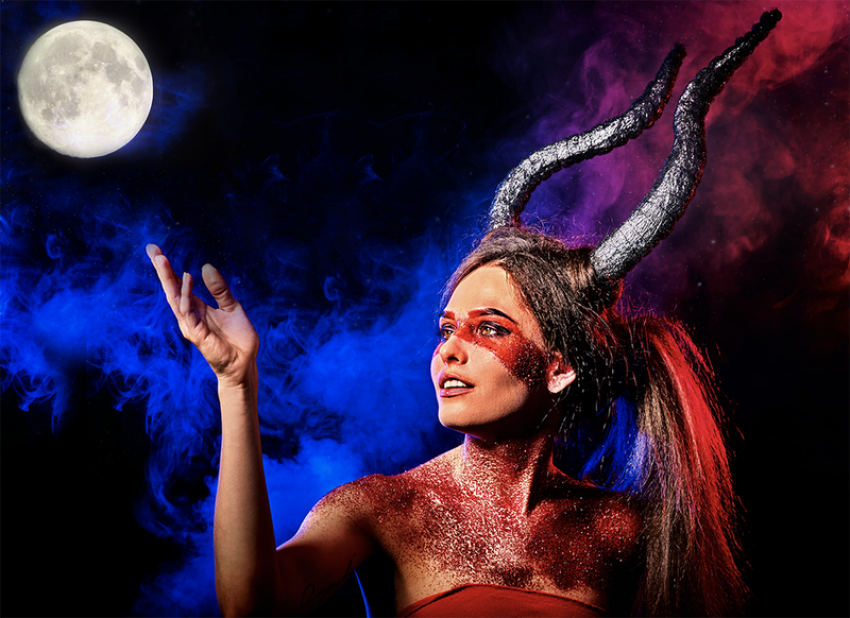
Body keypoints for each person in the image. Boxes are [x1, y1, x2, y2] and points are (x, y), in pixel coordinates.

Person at [147, 12, 780, 618]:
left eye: (490, 329)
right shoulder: (385, 510)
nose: (449, 350)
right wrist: (236, 384)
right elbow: (250, 607)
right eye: (448, 328)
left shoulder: (621, 531)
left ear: (559, 367)